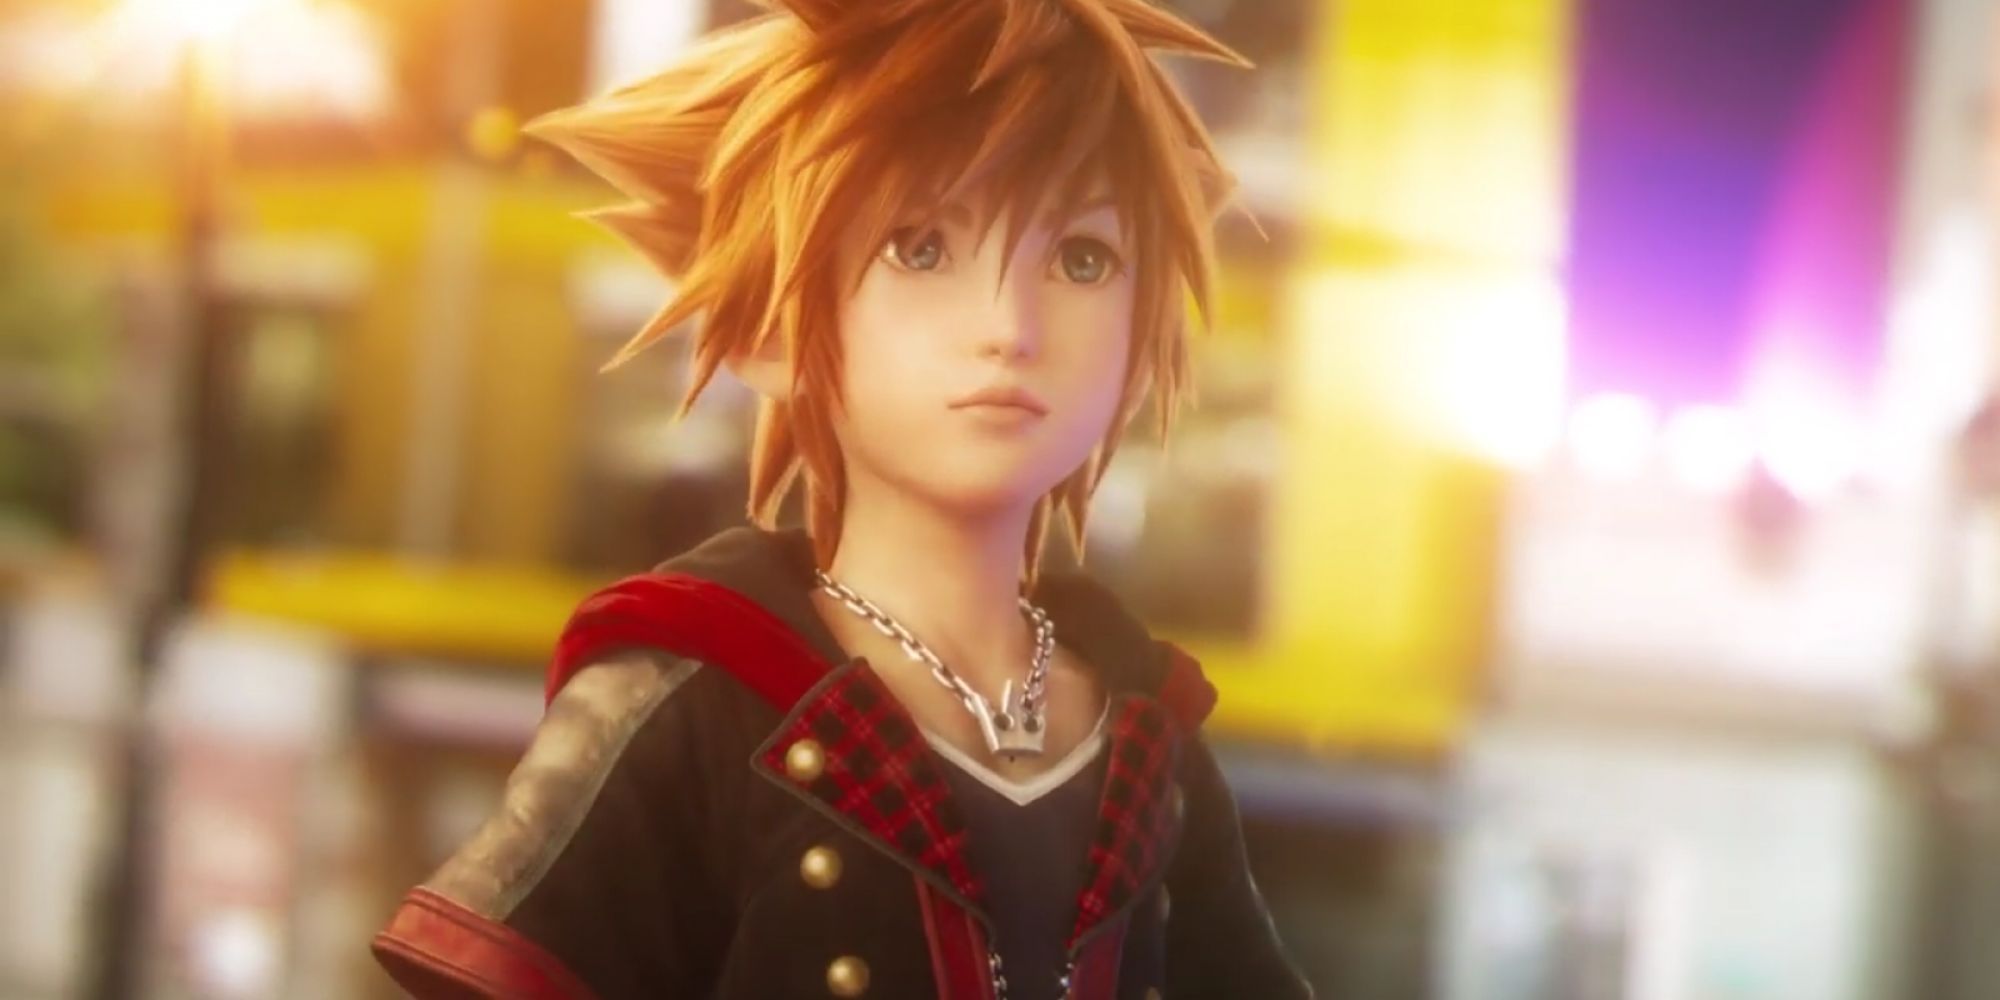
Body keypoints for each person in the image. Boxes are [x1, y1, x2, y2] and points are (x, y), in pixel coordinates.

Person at [370, 0, 1312, 996]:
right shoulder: (687, 701)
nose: (1011, 326)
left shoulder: (1149, 738)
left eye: (1083, 258)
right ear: (768, 326)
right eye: (921, 247)